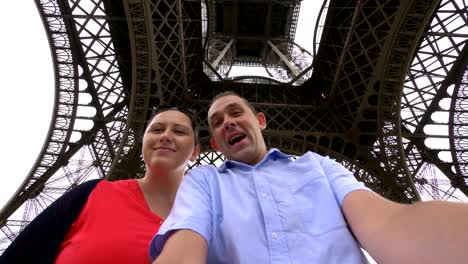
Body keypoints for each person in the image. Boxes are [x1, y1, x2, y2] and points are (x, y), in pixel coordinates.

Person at [150, 91, 468, 264]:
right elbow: (184, 249)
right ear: (216, 144)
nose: (228, 122)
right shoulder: (203, 181)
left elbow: (388, 223)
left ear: (260, 121)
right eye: (217, 121)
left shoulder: (319, 166)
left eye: (236, 113)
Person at [0, 106, 200, 264]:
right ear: (143, 142)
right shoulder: (91, 195)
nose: (165, 135)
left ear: (195, 151)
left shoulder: (209, 225)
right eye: (156, 129)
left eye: (180, 131)